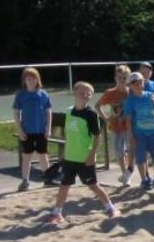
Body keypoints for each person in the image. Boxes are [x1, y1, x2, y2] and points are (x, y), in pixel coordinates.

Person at [49, 81, 117, 225]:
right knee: (64, 185)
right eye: (82, 92)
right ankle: (57, 213)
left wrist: (92, 154)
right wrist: (64, 154)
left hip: (84, 158)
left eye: (89, 93)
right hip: (69, 157)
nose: (85, 95)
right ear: (75, 92)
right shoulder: (69, 111)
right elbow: (68, 135)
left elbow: (97, 136)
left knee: (93, 185)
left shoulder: (91, 114)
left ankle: (110, 208)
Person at [122, 71, 154, 190]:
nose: (138, 84)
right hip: (139, 134)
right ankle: (144, 180)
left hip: (153, 132)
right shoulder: (130, 101)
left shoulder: (150, 95)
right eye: (134, 83)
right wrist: (131, 136)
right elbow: (128, 120)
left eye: (140, 82)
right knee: (141, 158)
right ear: (129, 86)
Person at [12, 66, 53, 192]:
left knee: (43, 155)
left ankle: (48, 179)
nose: (31, 80)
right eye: (28, 78)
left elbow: (48, 112)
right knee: (27, 157)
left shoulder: (43, 94)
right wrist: (20, 130)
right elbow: (16, 112)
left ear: (37, 79)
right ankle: (25, 181)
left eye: (33, 78)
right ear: (24, 80)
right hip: (27, 131)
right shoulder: (21, 95)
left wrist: (48, 128)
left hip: (41, 130)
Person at [96, 64, 133, 186]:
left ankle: (128, 171)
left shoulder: (131, 92)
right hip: (116, 127)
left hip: (129, 127)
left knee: (132, 150)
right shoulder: (110, 93)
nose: (122, 80)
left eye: (124, 78)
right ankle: (125, 175)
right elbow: (97, 105)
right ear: (115, 78)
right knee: (119, 152)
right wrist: (106, 118)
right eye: (120, 77)